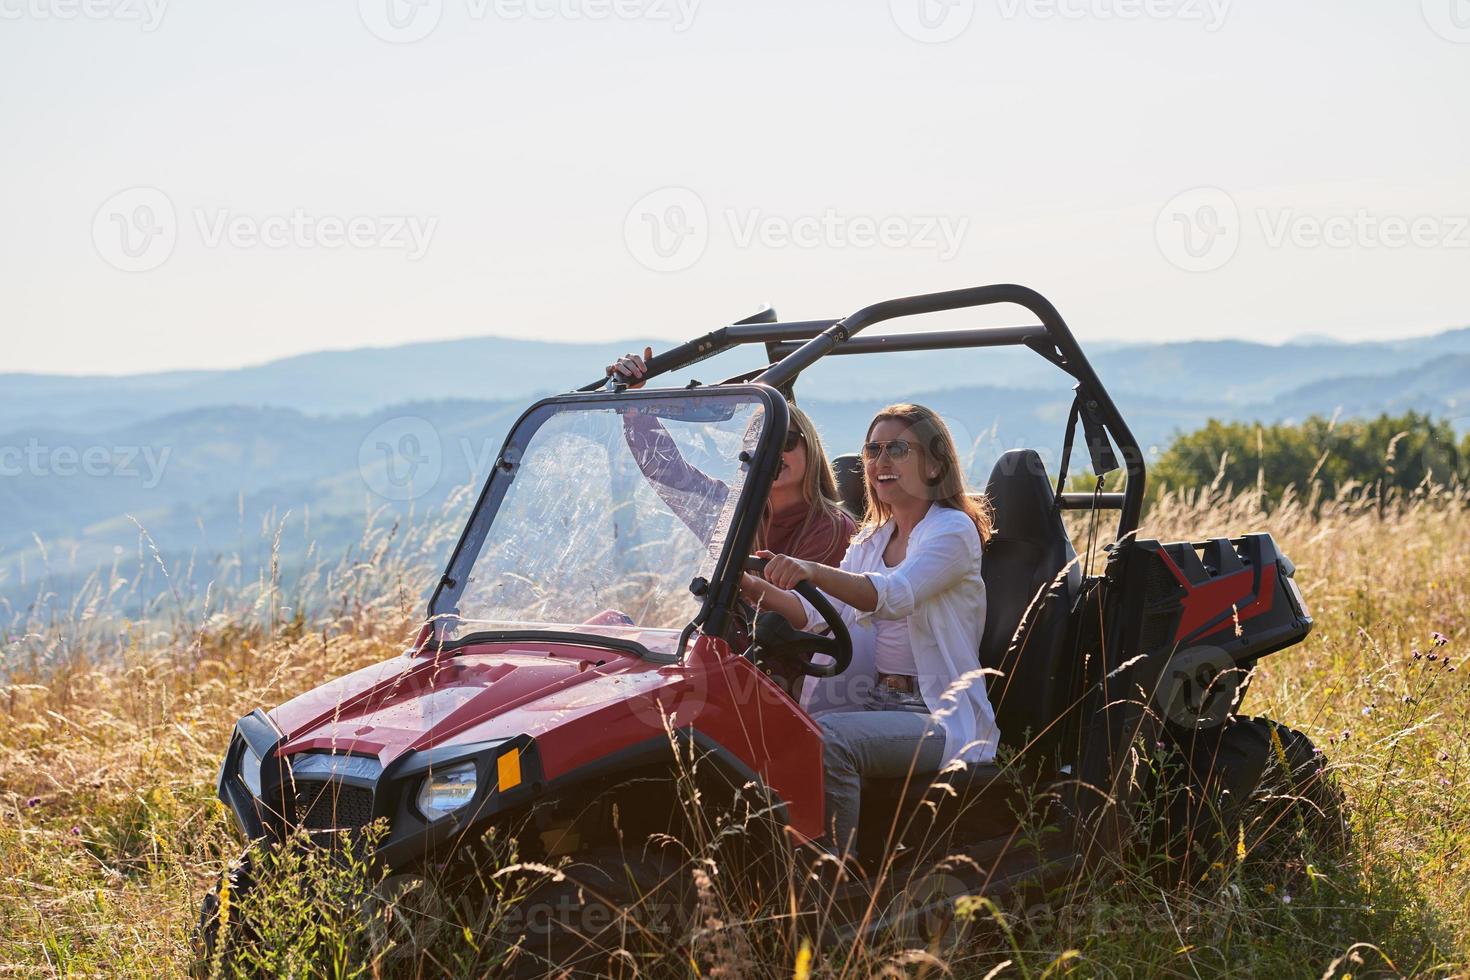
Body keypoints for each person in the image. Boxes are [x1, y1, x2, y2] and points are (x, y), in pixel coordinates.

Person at [741, 403, 999, 857]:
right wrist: (744, 583)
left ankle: (833, 882)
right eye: (873, 449)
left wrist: (811, 570)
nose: (881, 461)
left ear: (935, 463)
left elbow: (892, 594)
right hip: (877, 700)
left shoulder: (952, 531)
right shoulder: (871, 540)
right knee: (778, 732)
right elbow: (814, 613)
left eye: (898, 448)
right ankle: (774, 868)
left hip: (935, 714)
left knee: (829, 741)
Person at [606, 347, 853, 566]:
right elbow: (667, 472)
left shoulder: (832, 528)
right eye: (759, 443)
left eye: (785, 441)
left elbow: (790, 614)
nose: (773, 452)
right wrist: (632, 402)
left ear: (810, 449)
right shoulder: (730, 512)